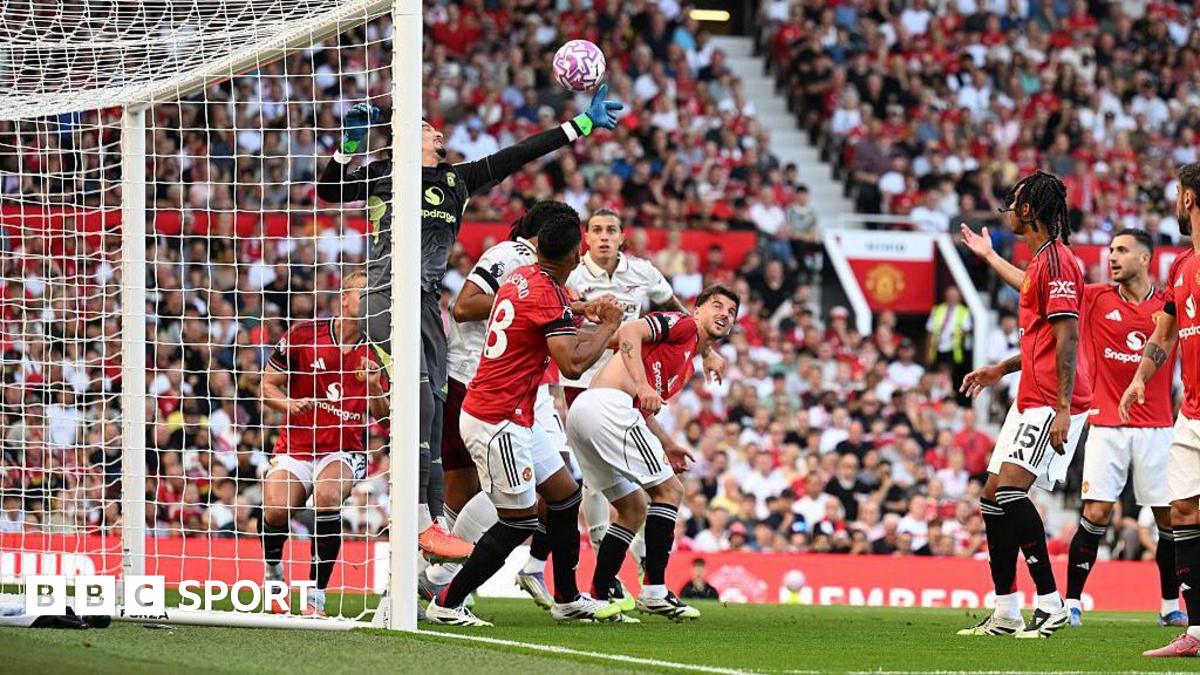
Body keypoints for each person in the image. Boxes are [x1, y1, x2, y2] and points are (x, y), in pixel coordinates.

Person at [316, 87, 623, 560]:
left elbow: (519, 153)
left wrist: (580, 126)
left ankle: (434, 520)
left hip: (424, 302)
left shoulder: (457, 181)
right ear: (401, 141)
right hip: (384, 295)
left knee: (438, 413)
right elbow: (330, 191)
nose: (435, 131)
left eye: (435, 129)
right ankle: (414, 519)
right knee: (416, 400)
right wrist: (349, 146)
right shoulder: (386, 173)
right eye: (424, 128)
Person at [963, 224, 1184, 627]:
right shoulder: (1096, 298)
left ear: (1145, 259)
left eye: (1121, 250)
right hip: (1106, 423)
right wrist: (992, 259)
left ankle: (1171, 603)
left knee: (1170, 516)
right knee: (1096, 511)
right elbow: (1037, 291)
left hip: (1158, 426)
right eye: (1111, 249)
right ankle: (1073, 601)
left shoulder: (1168, 307)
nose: (1112, 257)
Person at [425, 201, 625, 627]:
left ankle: (568, 598)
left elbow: (547, 312)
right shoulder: (540, 287)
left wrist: (582, 312)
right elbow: (571, 364)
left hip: (515, 408)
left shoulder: (524, 275)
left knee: (566, 494)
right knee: (519, 521)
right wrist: (608, 326)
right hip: (496, 417)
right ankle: (445, 600)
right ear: (576, 255)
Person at [957, 170, 1091, 639]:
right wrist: (1000, 369)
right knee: (992, 499)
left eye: (1013, 203)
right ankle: (1007, 610)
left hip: (1053, 400)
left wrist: (1062, 407)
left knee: (1011, 493)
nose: (1008, 211)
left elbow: (1067, 335)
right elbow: (1035, 311)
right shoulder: (1043, 263)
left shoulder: (1057, 262)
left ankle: (1051, 605)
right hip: (1030, 394)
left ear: (1030, 211)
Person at [567, 284, 738, 621]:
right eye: (716, 306)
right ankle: (655, 591)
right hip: (607, 407)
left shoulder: (686, 363)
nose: (724, 314)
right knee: (671, 490)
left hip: (585, 414)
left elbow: (642, 410)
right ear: (697, 310)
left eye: (731, 312)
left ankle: (601, 595)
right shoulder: (684, 325)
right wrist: (643, 385)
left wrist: (667, 442)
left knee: (631, 508)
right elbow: (630, 328)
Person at [258, 271, 388, 616]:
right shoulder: (303, 335)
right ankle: (273, 574)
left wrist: (374, 386)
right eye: (364, 293)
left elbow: (386, 419)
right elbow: (268, 384)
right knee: (275, 509)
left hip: (344, 450)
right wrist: (288, 404)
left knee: (327, 494)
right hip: (296, 447)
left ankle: (315, 595)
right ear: (343, 299)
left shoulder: (381, 350)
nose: (371, 300)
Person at [1119, 162, 1200, 658]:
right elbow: (1165, 332)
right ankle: (1197, 633)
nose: (1174, 200)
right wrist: (1139, 378)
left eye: (1176, 193)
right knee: (1183, 511)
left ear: (1188, 199)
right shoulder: (1180, 266)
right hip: (1190, 413)